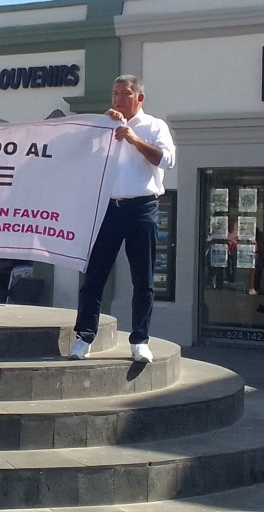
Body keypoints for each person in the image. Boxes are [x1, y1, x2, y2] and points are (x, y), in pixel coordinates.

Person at [69, 75, 176, 363]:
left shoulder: (155, 126)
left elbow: (166, 160)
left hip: (142, 208)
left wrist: (133, 138)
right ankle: (85, 336)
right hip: (108, 208)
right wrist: (103, 128)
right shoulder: (105, 124)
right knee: (94, 275)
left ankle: (140, 339)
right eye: (114, 93)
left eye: (124, 94)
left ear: (139, 97)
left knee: (143, 278)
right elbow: (82, 158)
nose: (117, 99)